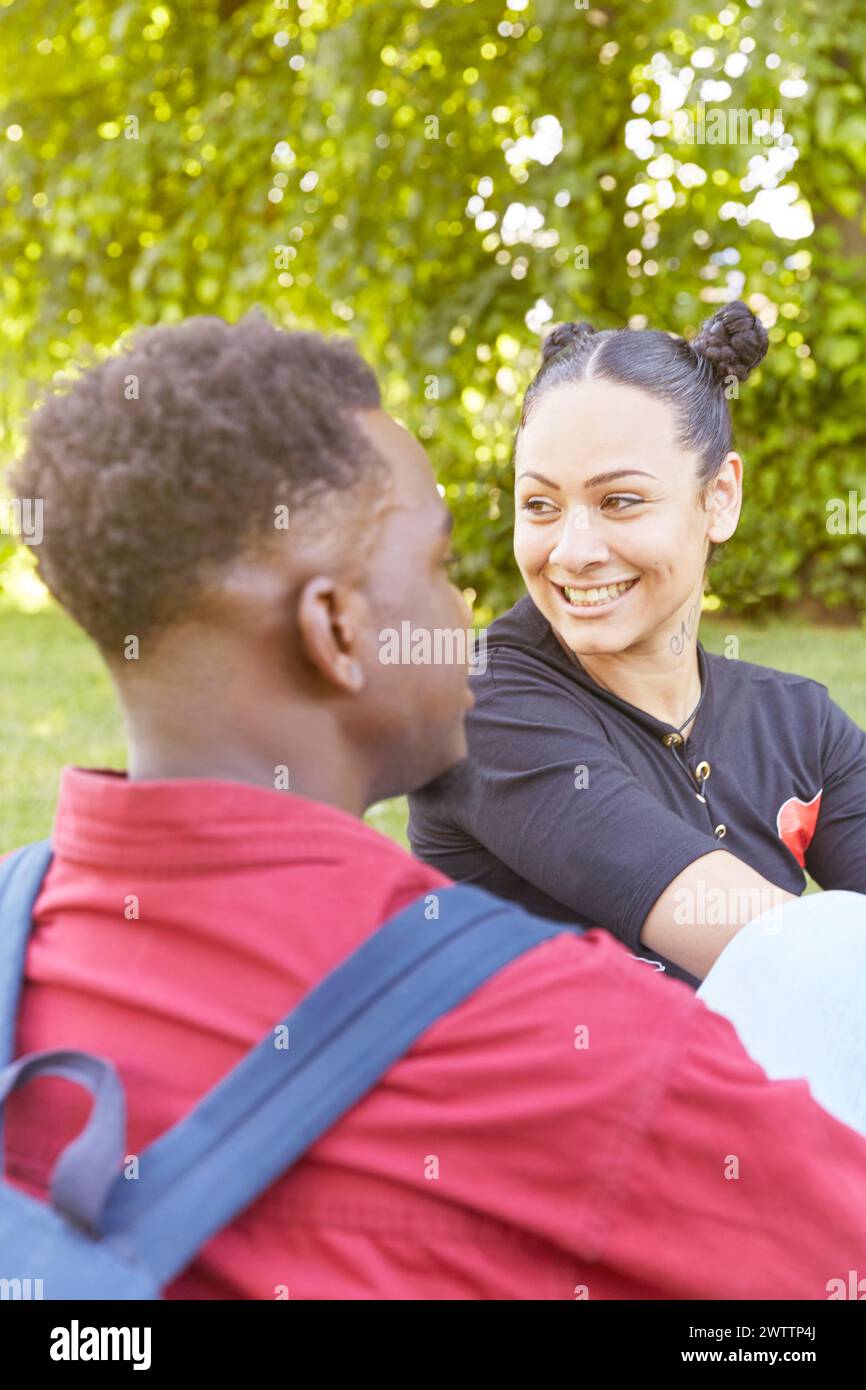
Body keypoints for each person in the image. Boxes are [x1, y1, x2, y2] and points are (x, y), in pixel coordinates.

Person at [5, 311, 866, 1300]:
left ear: (718, 498)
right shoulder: (579, 1045)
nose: (475, 614)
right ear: (335, 627)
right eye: (440, 564)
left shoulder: (25, 930)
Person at [409, 301, 866, 988]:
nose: (573, 550)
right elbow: (782, 960)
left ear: (720, 498)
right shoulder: (477, 711)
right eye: (540, 505)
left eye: (620, 500)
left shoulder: (800, 726)